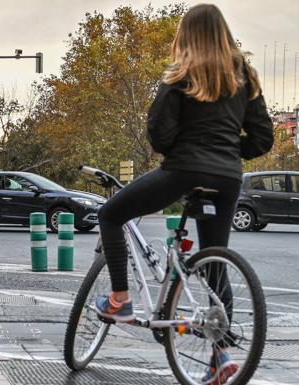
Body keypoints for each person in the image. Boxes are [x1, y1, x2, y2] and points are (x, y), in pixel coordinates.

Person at [94, 4, 273, 384]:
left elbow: (161, 137)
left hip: (184, 170)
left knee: (110, 214)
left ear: (185, 36)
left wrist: (192, 149)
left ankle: (120, 300)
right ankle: (220, 354)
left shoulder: (180, 75)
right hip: (227, 178)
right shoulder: (245, 77)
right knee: (214, 263)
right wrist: (225, 152)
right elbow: (262, 139)